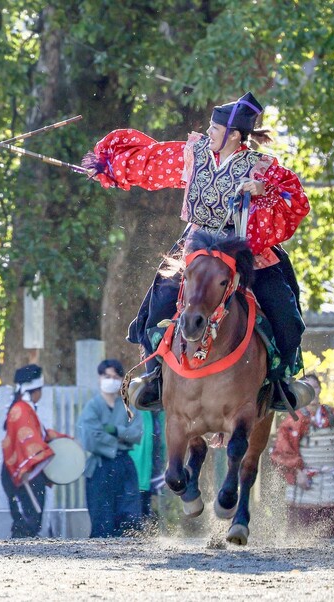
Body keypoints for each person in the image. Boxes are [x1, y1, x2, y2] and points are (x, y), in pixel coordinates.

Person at [84, 92, 315, 412]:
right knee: (159, 302)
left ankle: (281, 381)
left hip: (245, 248)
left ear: (234, 135)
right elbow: (152, 163)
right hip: (197, 245)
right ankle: (154, 378)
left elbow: (296, 198)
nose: (209, 132)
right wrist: (109, 165)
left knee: (284, 310)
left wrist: (266, 190)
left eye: (215, 129)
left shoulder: (262, 167)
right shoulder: (196, 153)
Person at [270, 373, 334, 538]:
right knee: (300, 532)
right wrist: (297, 473)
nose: (312, 392)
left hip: (331, 484)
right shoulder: (293, 420)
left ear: (320, 389)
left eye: (315, 387)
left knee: (332, 532)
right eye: (307, 387)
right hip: (304, 485)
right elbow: (281, 453)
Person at [77, 358, 143, 537]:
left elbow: (137, 433)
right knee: (102, 521)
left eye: (115, 377)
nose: (110, 380)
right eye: (106, 376)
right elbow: (90, 438)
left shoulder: (128, 407)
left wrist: (115, 430)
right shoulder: (92, 407)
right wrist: (120, 438)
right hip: (99, 467)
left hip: (124, 465)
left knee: (129, 519)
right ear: (99, 378)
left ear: (122, 380)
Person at [0, 364, 67, 538]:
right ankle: (23, 551)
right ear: (35, 391)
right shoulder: (21, 409)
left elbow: (40, 435)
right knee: (27, 519)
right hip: (23, 471)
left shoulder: (24, 408)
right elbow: (26, 440)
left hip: (24, 467)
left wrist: (64, 439)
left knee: (30, 518)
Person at [129, 409, 166, 532]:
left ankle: (145, 533)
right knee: (135, 510)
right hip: (137, 474)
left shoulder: (160, 415)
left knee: (147, 506)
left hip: (152, 472)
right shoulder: (137, 411)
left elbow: (161, 445)